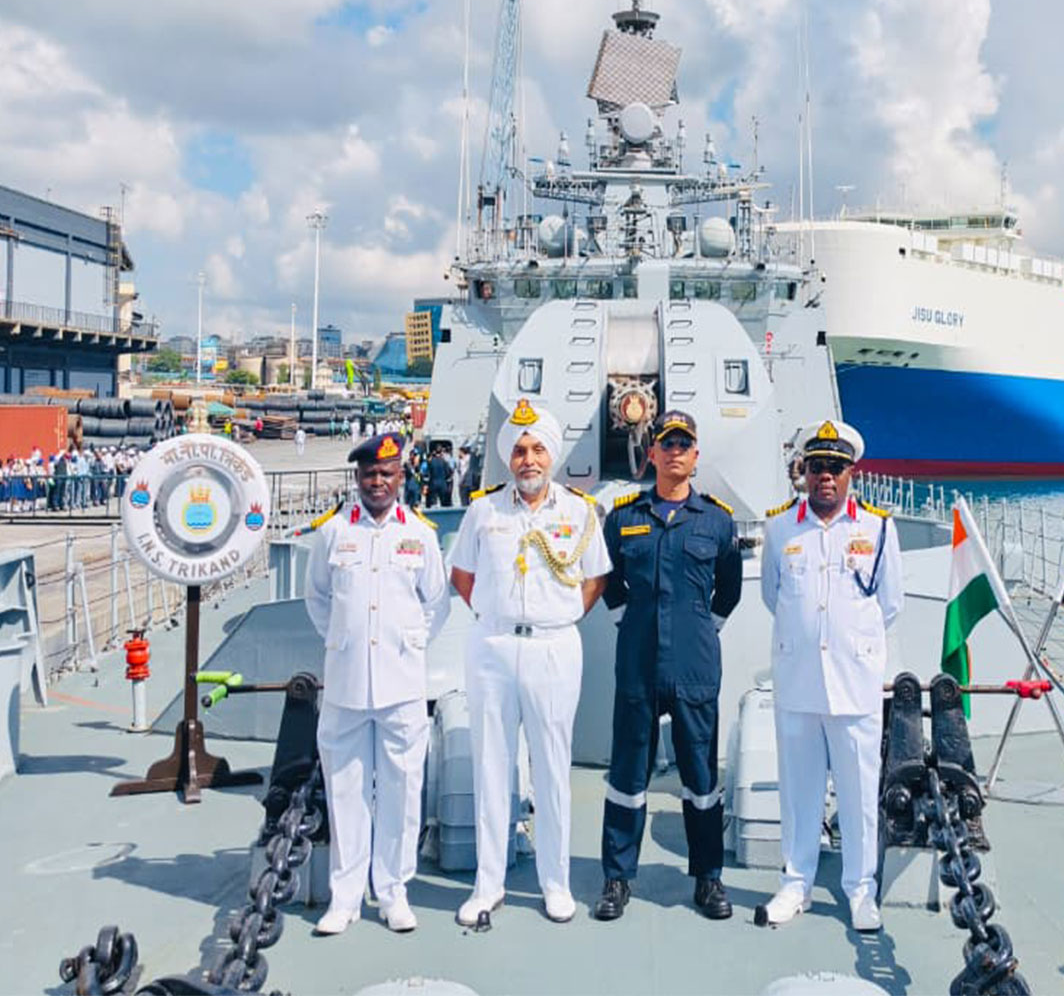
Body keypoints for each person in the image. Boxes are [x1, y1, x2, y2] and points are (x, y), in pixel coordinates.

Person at [446, 400, 609, 926]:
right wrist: (496, 614)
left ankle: (554, 882)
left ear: (552, 456)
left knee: (552, 766)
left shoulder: (579, 511)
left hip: (553, 648)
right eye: (519, 451)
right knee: (492, 763)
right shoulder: (484, 510)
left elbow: (595, 578)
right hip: (493, 647)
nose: (528, 459)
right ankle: (487, 882)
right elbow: (463, 575)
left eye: (538, 449)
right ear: (508, 459)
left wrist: (554, 618)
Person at [595, 411, 743, 922]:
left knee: (701, 776)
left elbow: (731, 587)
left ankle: (708, 878)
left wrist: (701, 626)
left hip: (694, 665)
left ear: (695, 456)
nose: (675, 450)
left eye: (685, 442)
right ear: (652, 454)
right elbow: (609, 576)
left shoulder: (717, 521)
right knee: (627, 773)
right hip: (637, 661)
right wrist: (626, 620)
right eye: (666, 443)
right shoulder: (623, 517)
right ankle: (617, 878)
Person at [758, 419, 903, 932]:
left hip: (853, 682)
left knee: (859, 791)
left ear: (851, 473)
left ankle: (860, 889)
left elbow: (889, 605)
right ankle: (795, 882)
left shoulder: (879, 529)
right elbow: (772, 595)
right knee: (798, 791)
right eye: (817, 466)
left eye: (836, 468)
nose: (826, 476)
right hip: (799, 681)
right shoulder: (781, 529)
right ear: (804, 470)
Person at [305, 431, 450, 936]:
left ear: (401, 478)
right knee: (344, 788)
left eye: (387, 473)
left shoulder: (421, 535)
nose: (378, 482)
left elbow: (437, 603)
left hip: (401, 683)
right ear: (358, 479)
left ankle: (392, 891)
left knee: (401, 789)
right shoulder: (333, 533)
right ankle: (344, 897)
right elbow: (318, 600)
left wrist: (403, 645)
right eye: (369, 474)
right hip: (346, 683)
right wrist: (347, 640)